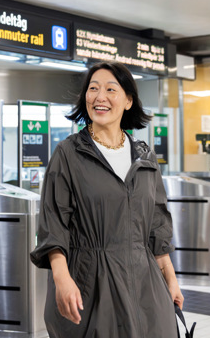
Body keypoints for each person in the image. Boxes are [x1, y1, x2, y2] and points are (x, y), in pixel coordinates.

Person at [30, 61, 183, 337]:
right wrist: (61, 279)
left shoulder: (145, 158)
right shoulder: (68, 154)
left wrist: (170, 279)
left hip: (145, 283)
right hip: (91, 281)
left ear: (128, 101)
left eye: (111, 89)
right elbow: (54, 225)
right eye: (93, 89)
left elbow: (157, 226)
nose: (100, 97)